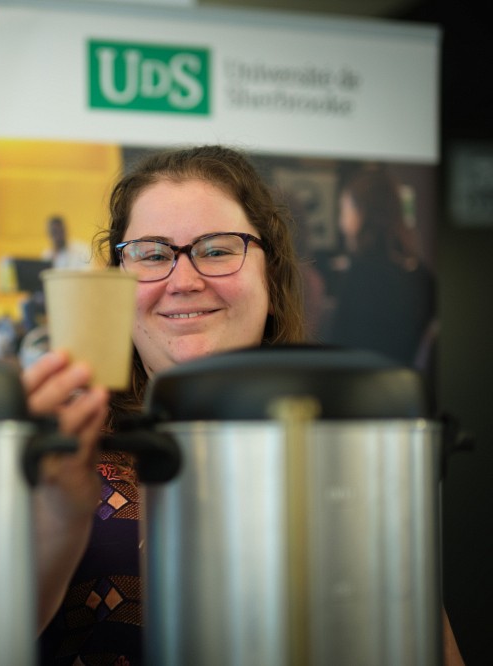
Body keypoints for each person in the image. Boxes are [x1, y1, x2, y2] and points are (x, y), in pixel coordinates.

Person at [25, 145, 464, 665]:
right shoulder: (58, 449)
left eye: (216, 249)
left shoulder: (344, 453)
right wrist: (55, 517)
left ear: (272, 282)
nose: (184, 281)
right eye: (153, 254)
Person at [324, 165, 436, 371]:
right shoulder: (423, 276)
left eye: (345, 210)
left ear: (362, 212)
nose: (342, 222)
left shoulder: (361, 276)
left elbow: (337, 350)